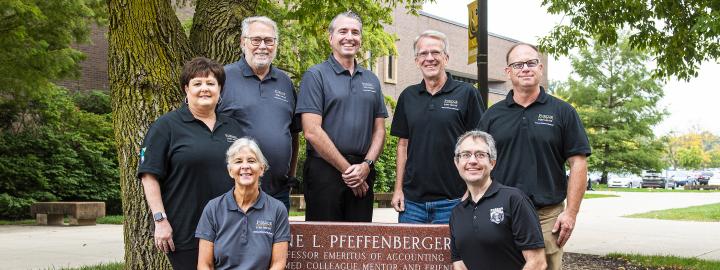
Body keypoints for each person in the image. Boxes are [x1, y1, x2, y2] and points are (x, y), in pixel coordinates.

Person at [478, 43, 591, 270]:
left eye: (531, 63)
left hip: (547, 215)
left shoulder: (563, 112)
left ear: (540, 68)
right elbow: (477, 163)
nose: (525, 69)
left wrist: (570, 213)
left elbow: (578, 163)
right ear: (508, 72)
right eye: (518, 64)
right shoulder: (492, 116)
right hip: (501, 213)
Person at [138, 57, 244, 269]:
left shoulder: (233, 128)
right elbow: (149, 175)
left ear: (220, 88)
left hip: (229, 228)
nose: (204, 89)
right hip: (185, 229)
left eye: (211, 83)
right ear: (186, 89)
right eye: (197, 83)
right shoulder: (166, 126)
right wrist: (160, 221)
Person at [296, 11, 387, 222]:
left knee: (359, 244)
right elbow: (311, 131)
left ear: (361, 39)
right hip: (324, 171)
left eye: (355, 32)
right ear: (330, 38)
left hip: (363, 171)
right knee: (325, 243)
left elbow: (379, 130)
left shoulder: (372, 80)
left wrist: (366, 166)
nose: (349, 37)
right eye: (343, 31)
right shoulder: (315, 75)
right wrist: (349, 172)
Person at [390, 30, 484, 224]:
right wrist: (398, 189)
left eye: (435, 53)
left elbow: (481, 145)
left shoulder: (466, 94)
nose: (429, 58)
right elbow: (403, 146)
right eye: (423, 54)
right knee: (410, 256)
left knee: (454, 256)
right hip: (412, 205)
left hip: (455, 200)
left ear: (446, 58)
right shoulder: (408, 96)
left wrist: (472, 189)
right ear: (417, 60)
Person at [218, 16, 301, 210]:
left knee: (278, 241)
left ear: (276, 44)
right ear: (243, 42)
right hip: (233, 191)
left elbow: (293, 134)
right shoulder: (222, 78)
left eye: (269, 40)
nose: (262, 46)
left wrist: (290, 176)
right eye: (256, 40)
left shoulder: (285, 82)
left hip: (278, 193)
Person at [450, 130, 546, 270]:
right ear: (457, 163)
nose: (472, 161)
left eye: (480, 155)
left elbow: (537, 262)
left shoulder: (514, 200)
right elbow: (459, 263)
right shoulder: (456, 213)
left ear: (492, 163)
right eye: (465, 155)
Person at [196, 138, 290, 270]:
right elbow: (205, 265)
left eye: (251, 161)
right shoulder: (213, 208)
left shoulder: (277, 209)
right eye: (238, 161)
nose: (245, 166)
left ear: (262, 169)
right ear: (230, 171)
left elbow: (278, 264)